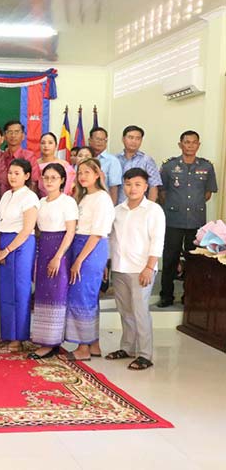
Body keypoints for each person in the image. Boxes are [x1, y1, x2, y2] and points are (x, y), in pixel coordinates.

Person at [106, 168, 165, 370]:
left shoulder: (153, 210)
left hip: (142, 269)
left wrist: (149, 267)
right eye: (129, 184)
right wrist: (108, 263)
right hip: (119, 268)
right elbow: (111, 239)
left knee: (140, 312)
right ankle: (127, 348)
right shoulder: (117, 210)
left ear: (146, 186)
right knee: (125, 311)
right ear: (124, 185)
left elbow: (157, 241)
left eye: (138, 184)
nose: (133, 189)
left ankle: (145, 354)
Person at [157, 130, 218, 307]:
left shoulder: (207, 167)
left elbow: (207, 193)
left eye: (194, 142)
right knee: (170, 258)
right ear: (180, 144)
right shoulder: (169, 166)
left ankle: (190, 296)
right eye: (187, 142)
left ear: (198, 145)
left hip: (196, 221)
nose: (190, 145)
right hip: (174, 220)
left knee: (194, 261)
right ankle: (166, 296)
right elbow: (162, 192)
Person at [63, 158, 115, 361]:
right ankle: (94, 344)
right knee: (88, 296)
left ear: (97, 175)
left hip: (90, 247)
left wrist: (79, 261)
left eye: (87, 172)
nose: (83, 176)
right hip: (80, 244)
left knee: (82, 296)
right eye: (80, 172)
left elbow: (97, 234)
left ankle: (83, 347)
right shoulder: (84, 197)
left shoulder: (102, 198)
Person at [28, 163, 78, 359]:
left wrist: (58, 257)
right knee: (42, 293)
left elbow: (71, 231)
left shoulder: (68, 202)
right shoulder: (40, 202)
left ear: (62, 180)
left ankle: (52, 342)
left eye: (54, 178)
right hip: (43, 247)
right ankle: (44, 338)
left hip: (60, 249)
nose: (49, 181)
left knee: (56, 293)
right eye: (46, 177)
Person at [0, 158, 40, 352]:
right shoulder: (6, 195)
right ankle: (7, 334)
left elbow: (27, 229)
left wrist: (7, 250)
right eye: (10, 173)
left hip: (20, 245)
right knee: (6, 290)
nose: (12, 177)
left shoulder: (30, 197)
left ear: (27, 176)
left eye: (17, 173)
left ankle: (19, 337)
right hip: (3, 242)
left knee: (20, 290)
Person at [116, 125, 162, 203]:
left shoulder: (147, 160)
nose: (134, 141)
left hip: (140, 207)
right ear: (123, 139)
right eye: (130, 137)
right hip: (118, 206)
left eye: (138, 138)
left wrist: (149, 207)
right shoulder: (115, 160)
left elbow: (153, 187)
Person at [0, 120, 40, 197]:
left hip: (23, 200)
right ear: (5, 136)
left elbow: (34, 182)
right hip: (3, 199)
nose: (13, 135)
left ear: (23, 136)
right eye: (10, 132)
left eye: (16, 132)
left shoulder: (29, 157)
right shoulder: (0, 157)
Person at [88, 127, 123, 205]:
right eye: (97, 139)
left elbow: (114, 188)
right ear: (90, 140)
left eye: (103, 140)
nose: (100, 142)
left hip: (103, 202)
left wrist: (112, 207)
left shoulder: (112, 161)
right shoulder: (84, 158)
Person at [36, 132, 75, 197]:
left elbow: (70, 185)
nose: (46, 145)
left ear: (56, 146)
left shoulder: (64, 164)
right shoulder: (34, 164)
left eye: (50, 143)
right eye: (43, 143)